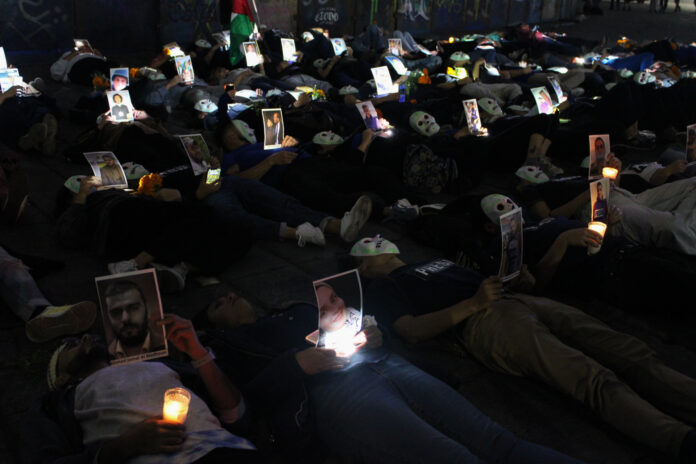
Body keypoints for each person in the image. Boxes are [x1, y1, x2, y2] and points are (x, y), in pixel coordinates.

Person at [356, 235, 696, 461]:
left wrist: (515, 280)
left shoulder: (432, 262)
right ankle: (679, 440)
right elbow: (413, 331)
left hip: (514, 299)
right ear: (364, 266)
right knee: (586, 374)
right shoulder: (382, 288)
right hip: (481, 322)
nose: (376, 239)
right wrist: (473, 305)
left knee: (629, 351)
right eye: (366, 243)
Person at [25, 314, 265, 464]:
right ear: (61, 378)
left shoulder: (159, 365)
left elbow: (237, 415)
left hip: (229, 451)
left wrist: (198, 353)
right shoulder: (57, 403)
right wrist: (127, 445)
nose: (86, 337)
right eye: (73, 346)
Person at [102, 279, 166, 359]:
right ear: (108, 317)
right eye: (116, 312)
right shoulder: (104, 358)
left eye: (133, 308)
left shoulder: (169, 345)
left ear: (148, 309)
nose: (125, 318)